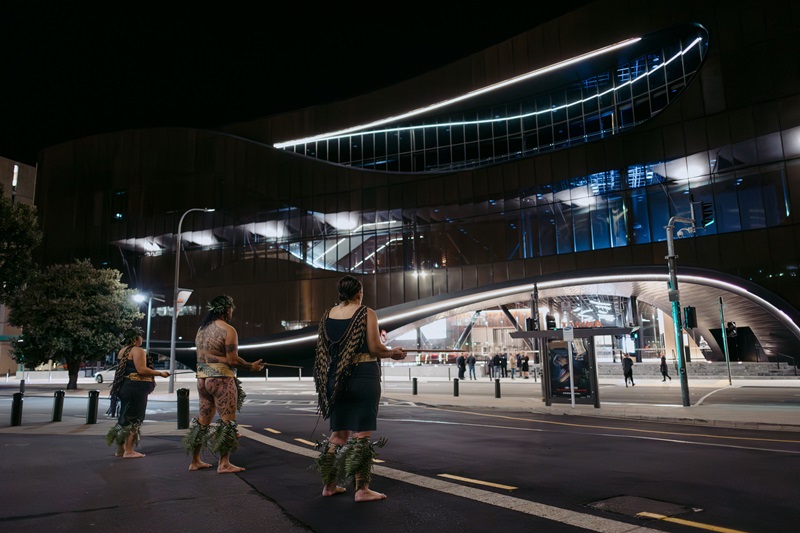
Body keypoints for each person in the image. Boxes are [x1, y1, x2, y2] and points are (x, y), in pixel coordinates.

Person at [313, 275, 405, 502]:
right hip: (363, 375)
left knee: (338, 435)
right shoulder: (366, 313)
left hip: (336, 378)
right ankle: (362, 489)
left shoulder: (328, 315)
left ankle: (329, 485)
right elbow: (374, 347)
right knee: (361, 434)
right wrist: (393, 353)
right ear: (359, 293)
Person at [182, 295, 266, 473]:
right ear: (227, 309)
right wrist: (251, 366)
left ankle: (195, 461)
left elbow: (205, 355)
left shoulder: (201, 330)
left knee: (202, 421)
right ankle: (224, 463)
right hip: (220, 380)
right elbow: (233, 360)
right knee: (228, 422)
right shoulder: (228, 330)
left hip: (202, 378)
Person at [105, 327, 170, 458]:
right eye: (140, 337)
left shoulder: (122, 351)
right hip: (136, 388)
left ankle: (120, 449)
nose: (142, 339)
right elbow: (141, 369)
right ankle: (129, 451)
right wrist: (160, 373)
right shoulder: (138, 351)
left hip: (125, 386)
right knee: (135, 418)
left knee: (124, 418)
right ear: (135, 339)